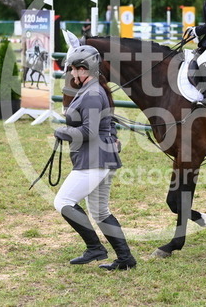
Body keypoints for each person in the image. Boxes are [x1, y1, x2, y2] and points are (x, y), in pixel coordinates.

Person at [53, 45, 137, 271]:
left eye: (75, 69)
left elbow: (89, 132)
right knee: (100, 212)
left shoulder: (91, 94)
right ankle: (126, 259)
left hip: (94, 159)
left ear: (86, 68)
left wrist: (62, 131)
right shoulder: (92, 90)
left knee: (63, 202)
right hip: (100, 158)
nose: (72, 73)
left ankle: (94, 248)